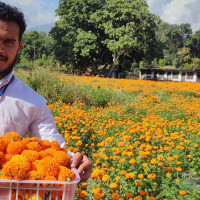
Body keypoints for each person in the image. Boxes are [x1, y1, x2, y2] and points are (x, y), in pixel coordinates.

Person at [0, 2, 92, 183]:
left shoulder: (33, 102)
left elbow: (54, 149)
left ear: (19, 47)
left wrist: (75, 161)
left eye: (8, 42)